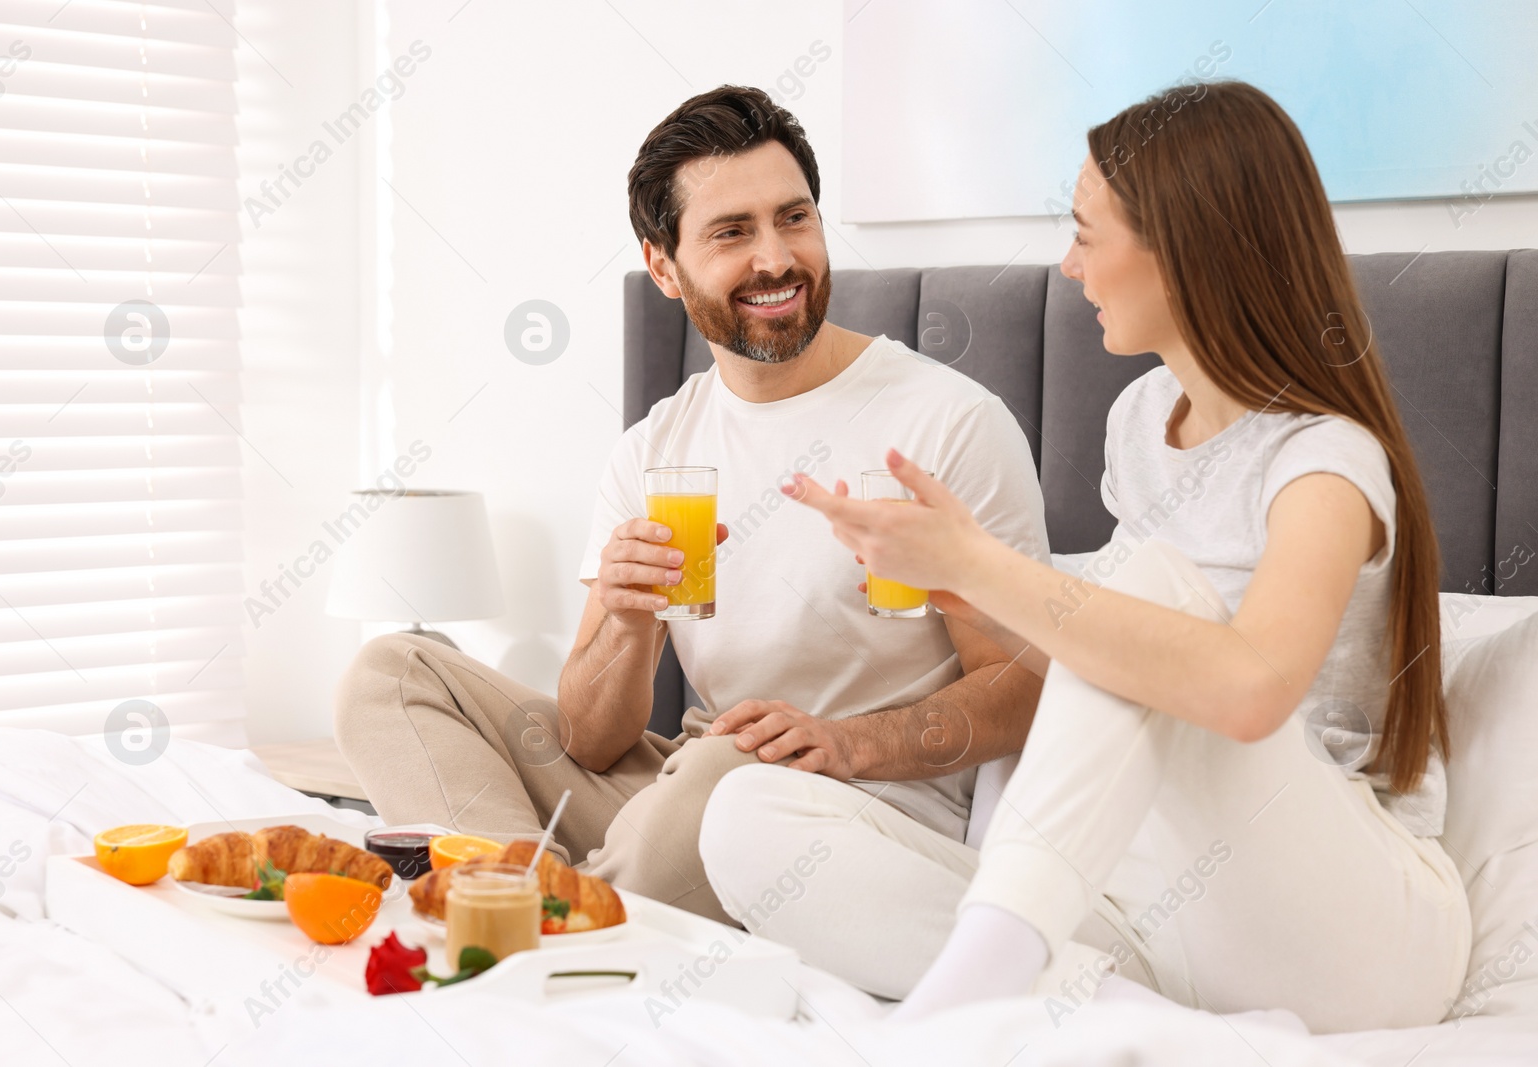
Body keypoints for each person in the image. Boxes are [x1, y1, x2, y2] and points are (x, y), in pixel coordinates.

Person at [699, 79, 1469, 1032]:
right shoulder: (1142, 421)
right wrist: (960, 587)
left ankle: (985, 981)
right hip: (1168, 912)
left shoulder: (1327, 460)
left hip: (1356, 932)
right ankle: (1083, 1000)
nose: (1068, 266)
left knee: (1140, 602)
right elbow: (1087, 695)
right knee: (746, 817)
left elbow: (1249, 689)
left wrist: (983, 563)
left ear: (1184, 252)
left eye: (1085, 234)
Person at [333, 85, 1050, 924]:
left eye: (794, 218)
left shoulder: (946, 422)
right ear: (663, 266)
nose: (777, 259)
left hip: (855, 808)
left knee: (725, 768)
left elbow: (1022, 687)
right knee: (390, 673)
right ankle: (528, 896)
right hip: (685, 777)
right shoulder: (653, 451)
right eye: (732, 233)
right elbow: (594, 740)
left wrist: (852, 741)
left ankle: (539, 914)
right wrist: (629, 624)